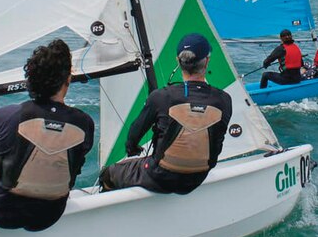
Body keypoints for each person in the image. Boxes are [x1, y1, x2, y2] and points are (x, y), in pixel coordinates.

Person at [0, 39, 94, 231]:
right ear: (67, 80)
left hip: (2, 212)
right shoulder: (84, 123)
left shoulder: (7, 116)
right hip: (49, 214)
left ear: (31, 80)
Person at [99, 33, 231, 195]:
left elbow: (134, 135)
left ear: (178, 61)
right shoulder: (224, 100)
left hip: (160, 177)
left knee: (108, 174)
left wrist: (132, 148)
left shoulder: (161, 97)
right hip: (199, 177)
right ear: (207, 61)